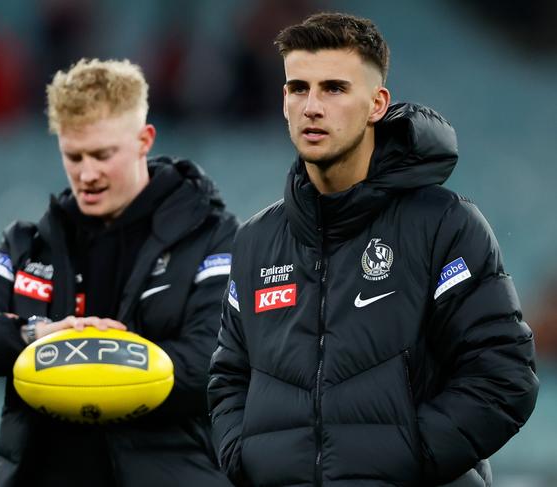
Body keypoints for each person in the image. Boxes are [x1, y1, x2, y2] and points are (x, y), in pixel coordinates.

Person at [208, 12, 539, 487]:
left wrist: (406, 459)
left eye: (335, 89)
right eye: (298, 88)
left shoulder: (445, 225)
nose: (312, 106)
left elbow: (504, 378)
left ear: (377, 104)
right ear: (283, 100)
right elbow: (228, 379)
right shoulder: (257, 242)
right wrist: (248, 459)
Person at [0, 58, 237, 487]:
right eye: (73, 156)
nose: (86, 174)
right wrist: (34, 336)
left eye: (102, 154)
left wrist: (85, 353)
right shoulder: (30, 245)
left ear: (144, 140)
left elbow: (214, 364)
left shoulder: (211, 237)